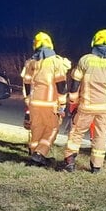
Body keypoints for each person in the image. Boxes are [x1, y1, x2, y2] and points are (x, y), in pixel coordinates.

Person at [61, 29, 106, 173]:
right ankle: (96, 167)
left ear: (94, 42)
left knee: (76, 133)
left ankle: (70, 162)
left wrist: (72, 102)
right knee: (100, 136)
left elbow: (75, 83)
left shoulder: (85, 60)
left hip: (86, 107)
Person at [20, 31, 71, 167]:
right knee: (52, 129)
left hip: (34, 104)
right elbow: (61, 85)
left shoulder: (30, 62)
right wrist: (62, 103)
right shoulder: (56, 62)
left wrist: (28, 100)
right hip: (50, 104)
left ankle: (34, 153)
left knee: (36, 128)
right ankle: (40, 153)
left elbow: (26, 83)